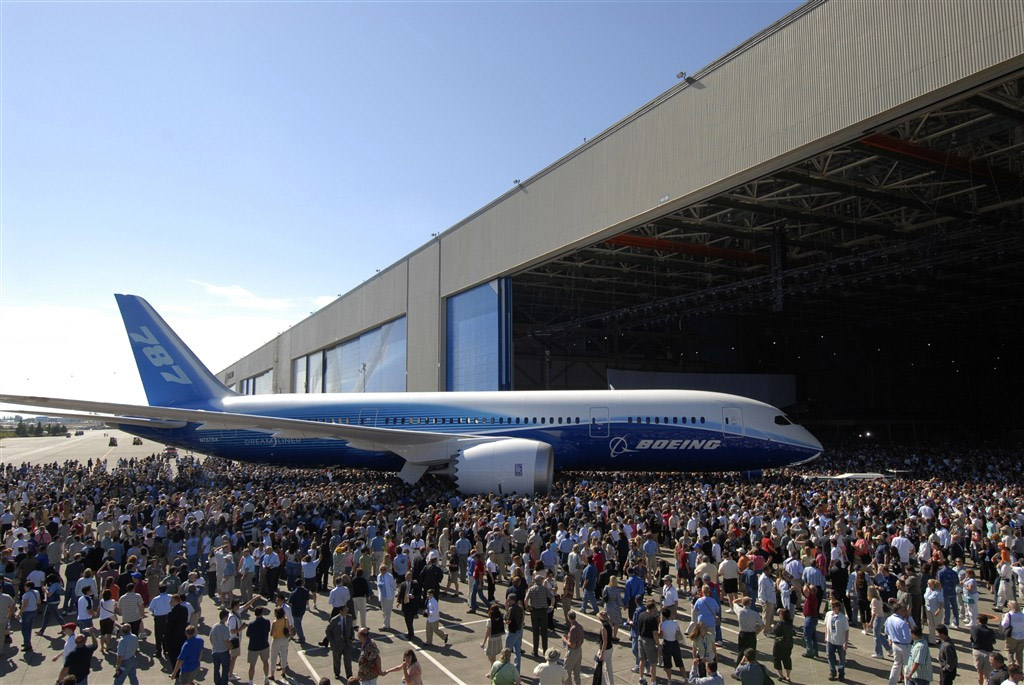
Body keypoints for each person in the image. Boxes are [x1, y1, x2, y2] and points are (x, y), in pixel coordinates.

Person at [886, 602, 914, 685]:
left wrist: (890, 639)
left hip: (895, 645)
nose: (905, 612)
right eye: (904, 611)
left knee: (896, 665)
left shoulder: (889, 619)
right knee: (907, 666)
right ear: (899, 611)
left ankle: (892, 683)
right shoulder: (902, 623)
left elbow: (887, 632)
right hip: (905, 646)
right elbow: (908, 638)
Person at [525, 573, 553, 657]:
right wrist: (551, 605)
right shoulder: (544, 589)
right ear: (540, 581)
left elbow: (526, 599)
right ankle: (545, 651)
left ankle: (535, 651)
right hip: (543, 611)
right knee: (544, 632)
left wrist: (527, 607)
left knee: (535, 632)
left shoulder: (531, 589)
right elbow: (552, 597)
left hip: (534, 611)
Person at [325, 604, 355, 680]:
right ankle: (337, 673)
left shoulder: (349, 617)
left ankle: (349, 674)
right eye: (345, 610)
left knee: (348, 659)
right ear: (341, 611)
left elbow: (351, 628)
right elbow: (328, 630)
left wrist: (352, 636)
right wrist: (331, 640)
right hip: (337, 643)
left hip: (347, 642)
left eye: (347, 609)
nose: (347, 611)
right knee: (337, 659)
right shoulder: (334, 620)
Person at [824, 598, 850, 681]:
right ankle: (832, 672)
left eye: (834, 606)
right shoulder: (828, 614)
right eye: (831, 606)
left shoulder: (843, 618)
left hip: (840, 641)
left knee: (842, 659)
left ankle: (841, 673)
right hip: (830, 640)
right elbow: (826, 625)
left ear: (838, 607)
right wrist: (826, 636)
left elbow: (846, 630)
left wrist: (846, 642)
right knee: (830, 656)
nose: (832, 608)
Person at [659, 605, 685, 683]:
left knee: (667, 664)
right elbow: (678, 632)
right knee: (680, 662)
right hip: (675, 644)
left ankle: (669, 680)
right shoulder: (675, 623)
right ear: (670, 614)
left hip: (666, 644)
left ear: (663, 616)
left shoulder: (662, 625)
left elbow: (661, 635)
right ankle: (685, 678)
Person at [246, 606, 272, 685]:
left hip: (253, 647)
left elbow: (248, 635)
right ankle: (266, 679)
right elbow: (268, 630)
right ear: (262, 613)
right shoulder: (267, 621)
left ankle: (251, 682)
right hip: (264, 646)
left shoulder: (251, 624)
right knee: (265, 662)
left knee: (252, 666)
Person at [769, 607, 795, 683]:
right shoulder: (790, 622)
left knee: (777, 659)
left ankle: (781, 675)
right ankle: (788, 676)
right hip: (788, 643)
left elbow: (774, 631)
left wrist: (773, 626)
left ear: (782, 615)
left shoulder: (781, 623)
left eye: (780, 614)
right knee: (787, 659)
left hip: (779, 644)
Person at [970, 614, 996, 685]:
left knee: (979, 673)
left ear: (979, 620)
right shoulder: (991, 631)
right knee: (987, 675)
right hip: (988, 652)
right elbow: (993, 641)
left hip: (977, 651)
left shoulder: (974, 629)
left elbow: (972, 639)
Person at [561, 609, 584, 685]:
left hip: (572, 652)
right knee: (577, 673)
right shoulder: (580, 626)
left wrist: (565, 640)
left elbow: (572, 645)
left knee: (566, 672)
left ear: (568, 617)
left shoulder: (573, 629)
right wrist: (569, 637)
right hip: (579, 651)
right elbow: (581, 639)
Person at [209, 609, 232, 685]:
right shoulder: (225, 628)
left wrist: (214, 645)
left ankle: (217, 682)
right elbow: (226, 641)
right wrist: (231, 646)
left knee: (216, 668)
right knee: (225, 669)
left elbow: (210, 638)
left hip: (215, 652)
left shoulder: (214, 626)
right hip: (224, 652)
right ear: (225, 617)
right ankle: (223, 683)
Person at [504, 593, 525, 673]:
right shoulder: (520, 607)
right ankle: (517, 670)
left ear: (512, 600)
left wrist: (503, 622)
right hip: (519, 630)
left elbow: (508, 621)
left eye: (508, 600)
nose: (507, 601)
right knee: (517, 651)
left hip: (512, 632)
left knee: (506, 651)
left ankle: (505, 669)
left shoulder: (511, 609)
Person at [1001, 600, 1024, 667]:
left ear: (1010, 606)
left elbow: (1004, 624)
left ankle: (1012, 666)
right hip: (1022, 636)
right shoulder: (1022, 615)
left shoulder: (1009, 614)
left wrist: (1003, 618)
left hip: (1012, 636)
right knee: (1019, 654)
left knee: (1009, 651)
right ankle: (1019, 669)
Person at [269, 606, 291, 677]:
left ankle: (272, 674)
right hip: (284, 639)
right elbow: (288, 628)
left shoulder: (275, 622)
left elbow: (271, 633)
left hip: (276, 640)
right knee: (284, 656)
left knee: (273, 657)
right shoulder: (286, 620)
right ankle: (283, 672)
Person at [801, 581, 820, 659]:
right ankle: (815, 651)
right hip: (812, 619)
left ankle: (809, 652)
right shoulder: (812, 597)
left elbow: (805, 590)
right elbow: (803, 591)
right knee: (813, 636)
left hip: (809, 619)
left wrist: (806, 584)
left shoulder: (812, 597)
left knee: (807, 636)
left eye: (810, 589)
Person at [598, 609, 616, 685]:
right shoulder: (609, 624)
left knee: (598, 666)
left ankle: (603, 683)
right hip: (610, 648)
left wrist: (601, 654)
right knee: (609, 668)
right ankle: (611, 683)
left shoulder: (603, 628)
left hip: (605, 650)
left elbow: (604, 642)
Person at [376, 564, 396, 631]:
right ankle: (387, 624)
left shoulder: (389, 576)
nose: (383, 570)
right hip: (382, 596)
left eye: (384, 569)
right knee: (384, 611)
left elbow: (394, 585)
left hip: (389, 596)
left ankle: (385, 625)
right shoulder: (379, 576)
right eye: (381, 569)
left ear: (386, 570)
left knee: (388, 611)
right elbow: (378, 587)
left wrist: (392, 592)